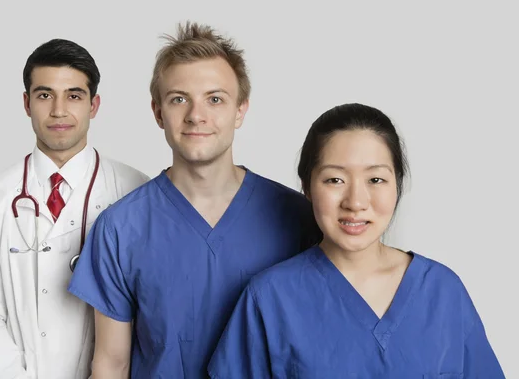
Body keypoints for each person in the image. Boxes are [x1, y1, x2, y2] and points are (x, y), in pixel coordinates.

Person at [67, 21, 321, 378]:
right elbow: (111, 363)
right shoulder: (121, 228)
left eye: (215, 99)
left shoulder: (297, 218)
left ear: (240, 110)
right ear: (158, 112)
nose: (196, 115)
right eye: (179, 99)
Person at [207, 102, 506, 378]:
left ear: (397, 186)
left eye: (375, 180)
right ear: (307, 188)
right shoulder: (270, 299)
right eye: (334, 180)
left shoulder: (443, 291)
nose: (356, 201)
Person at [0, 39, 149, 379]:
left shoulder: (136, 192)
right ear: (27, 104)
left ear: (94, 105)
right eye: (45, 95)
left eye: (74, 95)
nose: (59, 110)